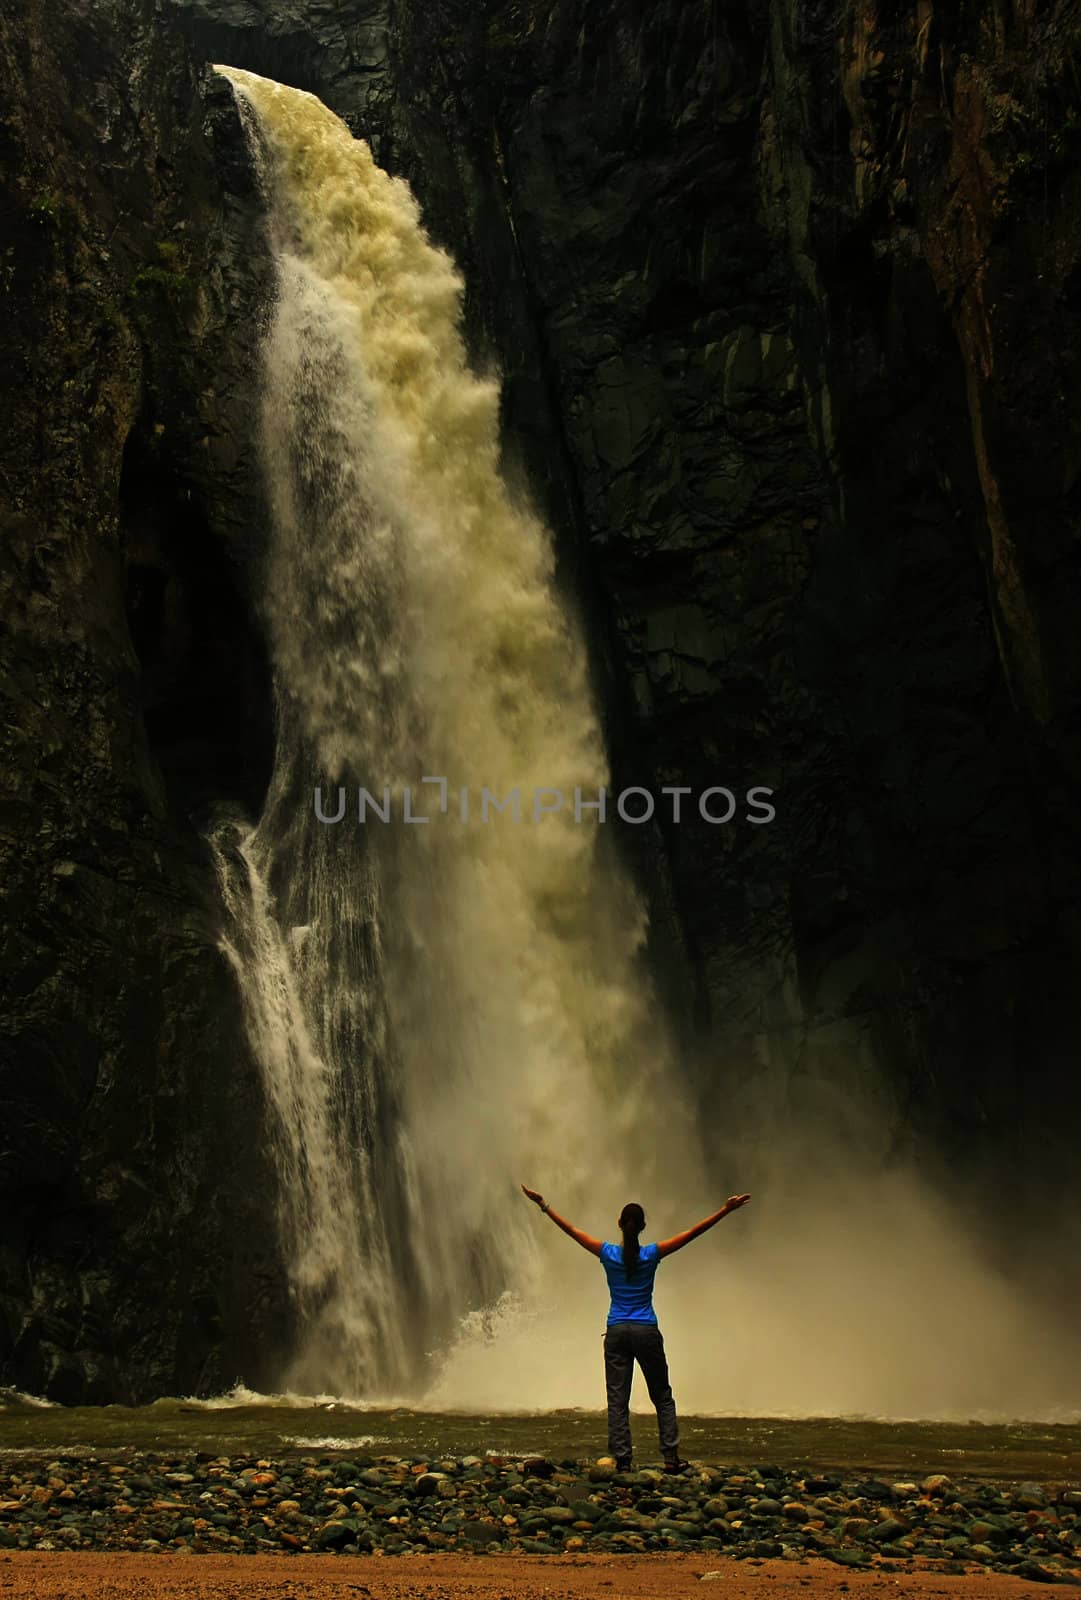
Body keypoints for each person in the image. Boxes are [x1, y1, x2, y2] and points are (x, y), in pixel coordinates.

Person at [521, 1184, 751, 1473]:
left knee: (618, 1399)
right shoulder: (652, 1254)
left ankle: (624, 1461)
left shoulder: (607, 1253)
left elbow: (571, 1231)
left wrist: (544, 1205)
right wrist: (725, 1210)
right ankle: (671, 1458)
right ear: (642, 1227)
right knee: (662, 1396)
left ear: (620, 1224)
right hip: (645, 1330)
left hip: (616, 1331)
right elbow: (692, 1234)